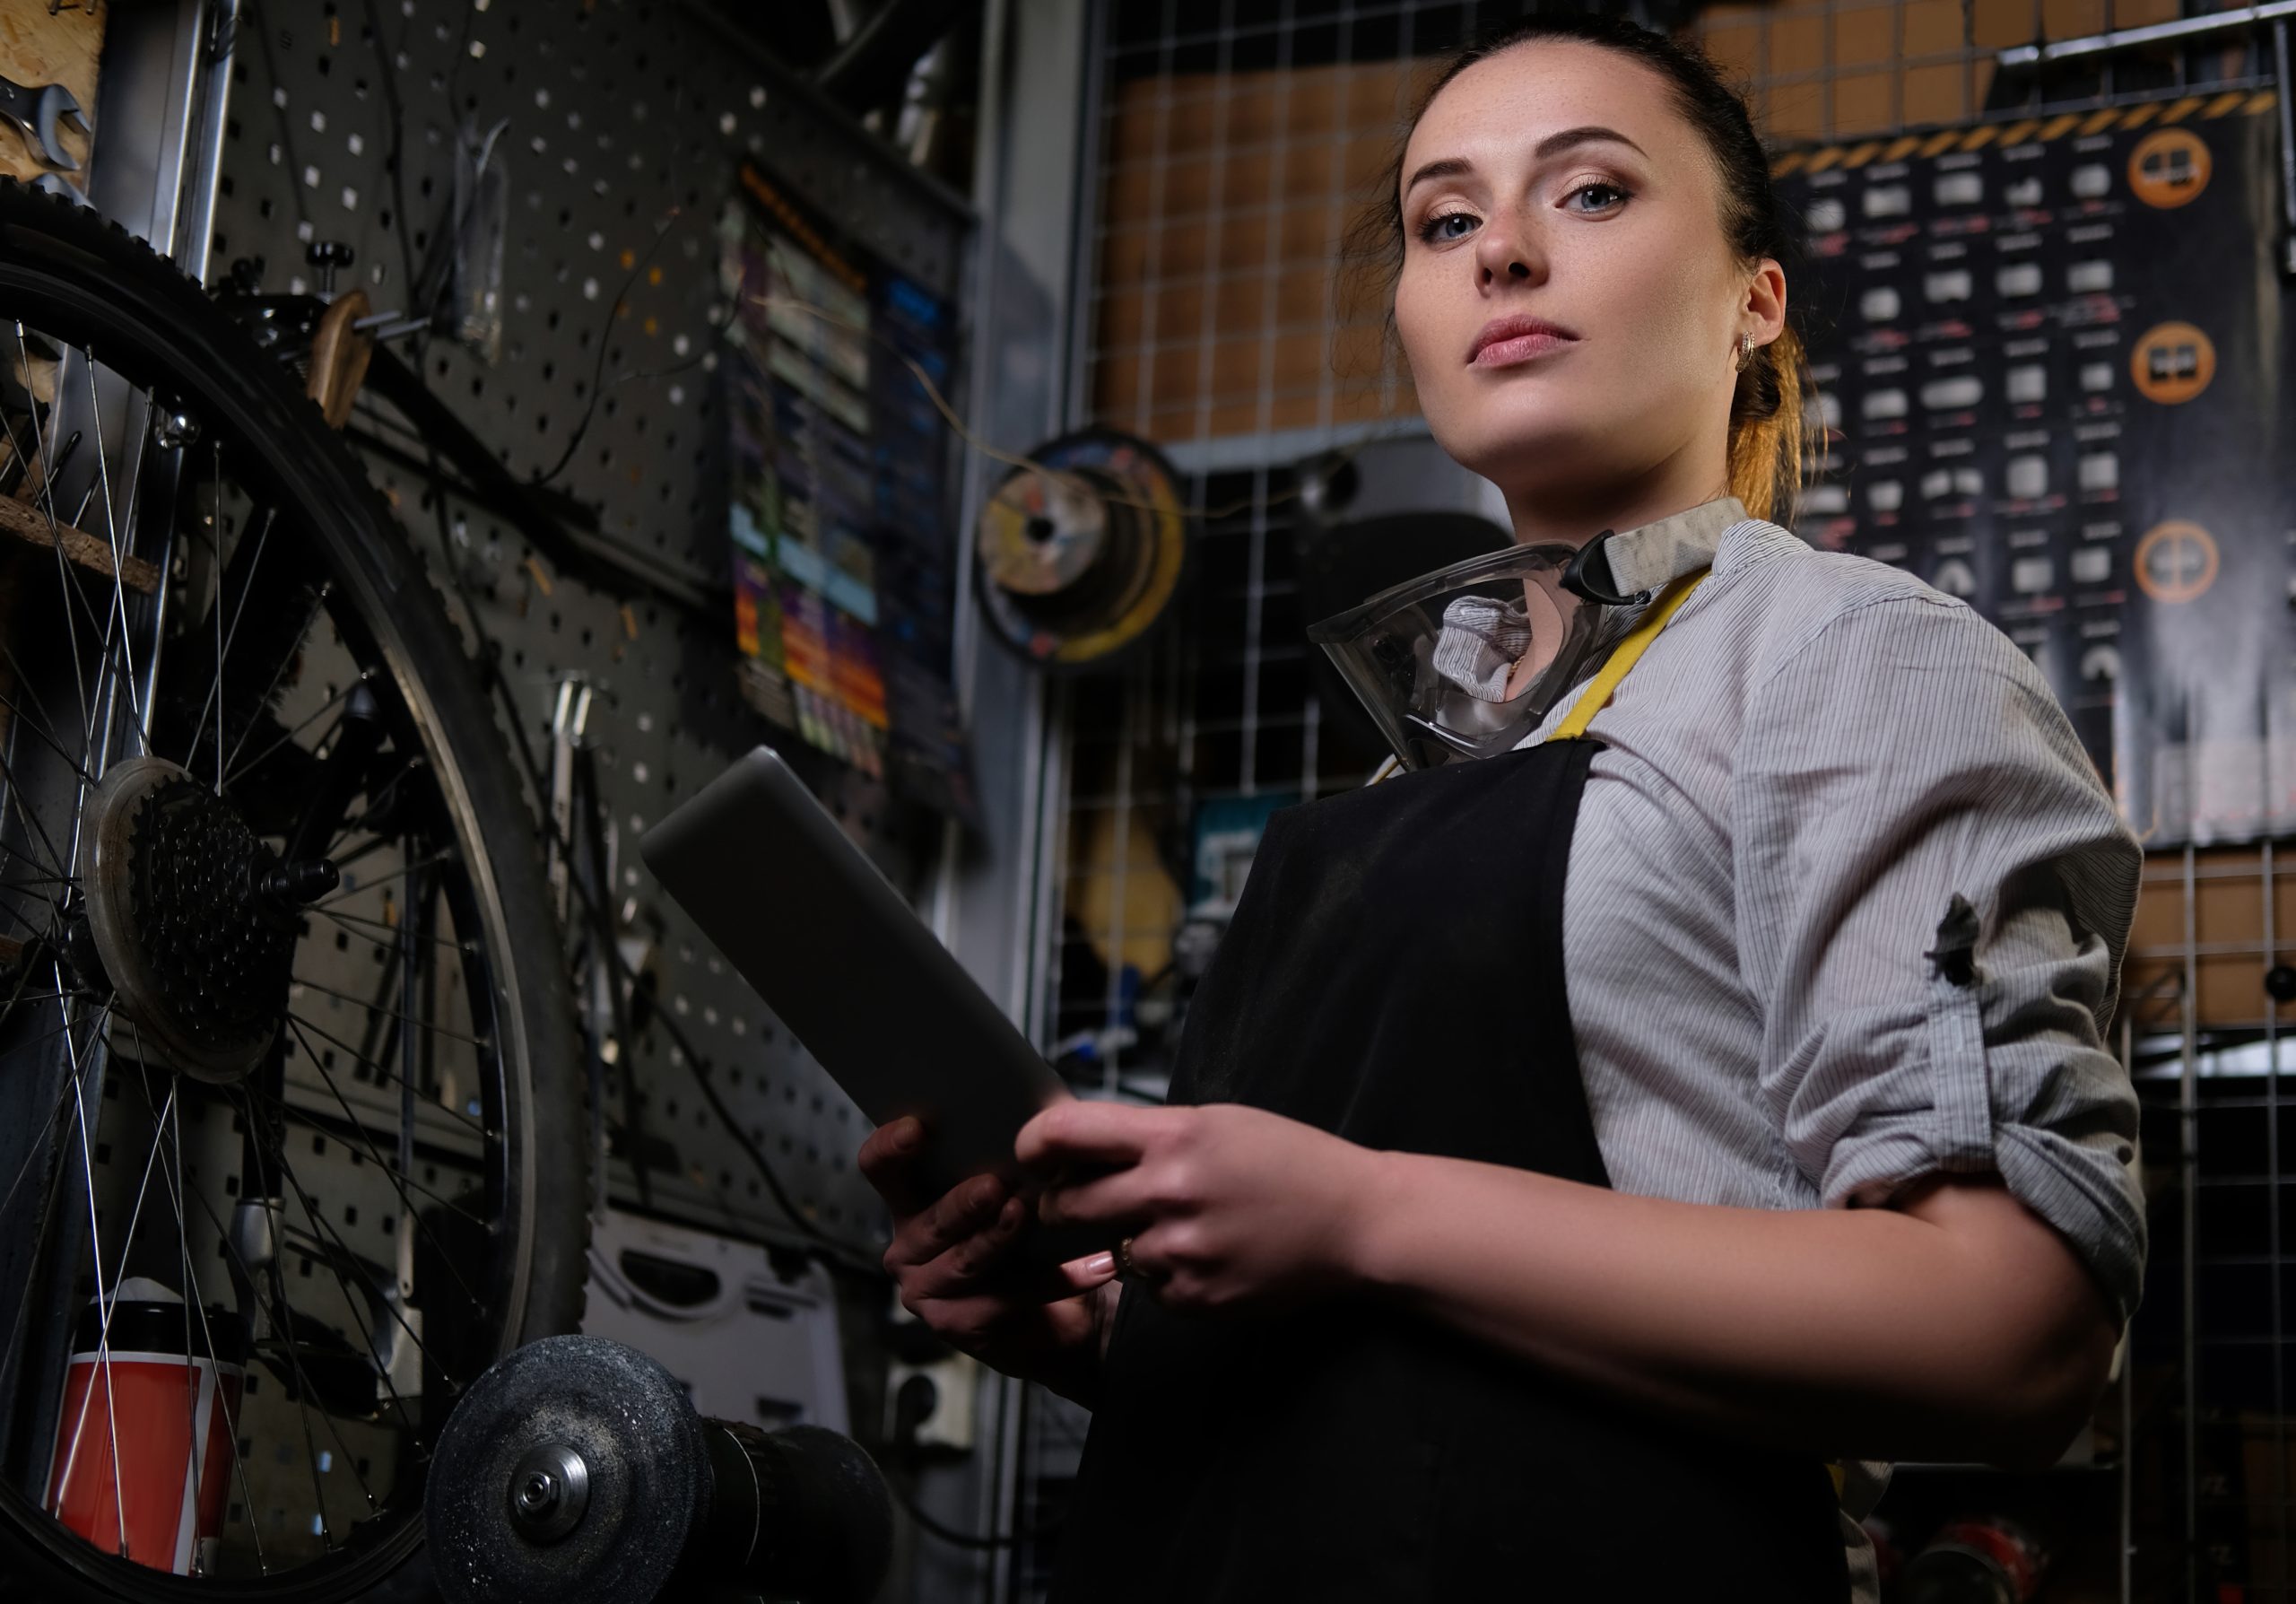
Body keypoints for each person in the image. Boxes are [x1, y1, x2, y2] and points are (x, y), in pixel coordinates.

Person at [857, 14, 2144, 1600]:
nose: (1504, 256)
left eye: (1591, 194)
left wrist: (1363, 1212)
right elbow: (1395, 1386)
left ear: (1756, 302)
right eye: (1445, 221)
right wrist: (1112, 1338)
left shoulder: (1848, 659)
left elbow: (2014, 1333)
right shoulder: (1416, 773)